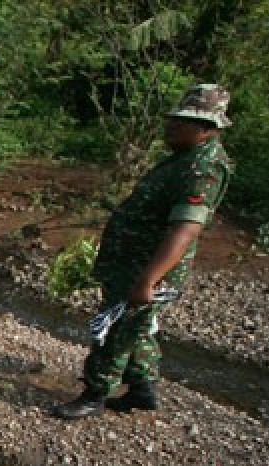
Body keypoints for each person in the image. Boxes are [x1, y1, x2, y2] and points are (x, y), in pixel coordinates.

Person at [54, 84, 233, 420]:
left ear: (206, 129)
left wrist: (148, 280)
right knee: (138, 325)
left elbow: (186, 229)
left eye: (181, 122)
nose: (171, 126)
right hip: (133, 261)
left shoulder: (204, 168)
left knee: (119, 330)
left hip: (147, 267)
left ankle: (94, 394)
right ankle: (142, 389)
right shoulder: (186, 157)